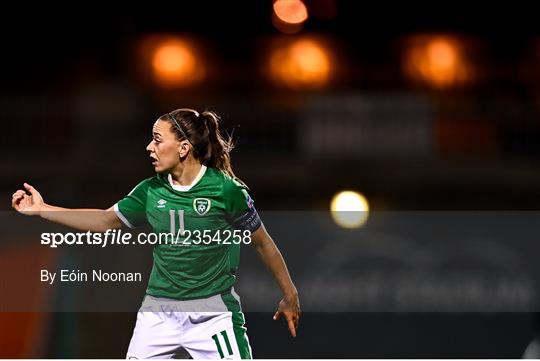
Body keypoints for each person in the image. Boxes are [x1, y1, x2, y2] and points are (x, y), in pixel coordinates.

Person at [11, 108, 300, 359]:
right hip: (158, 313)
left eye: (158, 139)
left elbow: (263, 244)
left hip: (213, 315)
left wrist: (290, 294)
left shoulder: (226, 191)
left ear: (184, 148)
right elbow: (104, 220)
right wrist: (42, 209)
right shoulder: (150, 191)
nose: (149, 147)